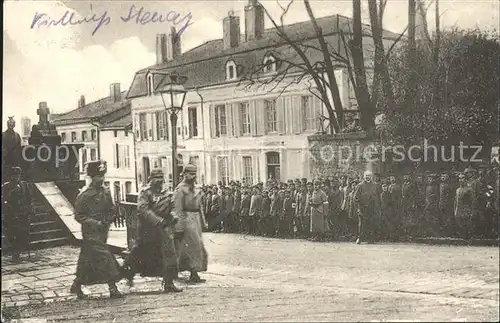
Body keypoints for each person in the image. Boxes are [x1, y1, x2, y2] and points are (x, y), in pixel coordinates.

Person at [121, 168, 182, 293]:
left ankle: (169, 282)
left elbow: (171, 206)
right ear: (150, 179)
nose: (159, 181)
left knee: (169, 254)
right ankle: (128, 273)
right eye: (156, 178)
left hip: (163, 229)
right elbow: (143, 209)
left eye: (161, 178)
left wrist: (173, 215)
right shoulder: (145, 193)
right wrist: (157, 220)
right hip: (148, 230)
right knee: (140, 254)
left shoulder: (166, 193)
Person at [70, 160, 123, 299]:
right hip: (90, 233)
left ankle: (77, 283)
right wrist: (95, 223)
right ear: (91, 177)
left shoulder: (105, 192)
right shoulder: (84, 195)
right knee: (106, 257)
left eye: (102, 176)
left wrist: (109, 218)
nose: (101, 179)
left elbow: (111, 209)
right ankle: (113, 287)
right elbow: (79, 215)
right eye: (98, 176)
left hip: (102, 232)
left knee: (88, 261)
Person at [172, 164, 209, 283]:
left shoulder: (196, 189)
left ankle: (193, 272)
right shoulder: (180, 190)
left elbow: (200, 207)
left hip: (196, 219)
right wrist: (179, 226)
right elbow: (177, 209)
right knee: (193, 246)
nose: (193, 176)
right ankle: (193, 272)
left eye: (194, 174)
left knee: (195, 246)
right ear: (185, 174)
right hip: (186, 219)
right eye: (190, 174)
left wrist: (203, 221)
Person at [1, 167, 33, 262]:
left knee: (23, 234)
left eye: (18, 175)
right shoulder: (6, 186)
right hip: (12, 216)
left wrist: (29, 209)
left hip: (23, 215)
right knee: (12, 234)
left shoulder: (24, 185)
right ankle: (15, 253)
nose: (16, 178)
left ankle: (17, 252)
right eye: (14, 175)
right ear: (11, 176)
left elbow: (29, 198)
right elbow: (4, 201)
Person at [353, 171, 381, 244]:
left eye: (369, 175)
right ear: (364, 176)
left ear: (371, 176)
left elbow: (378, 197)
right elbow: (355, 198)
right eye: (366, 175)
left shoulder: (375, 185)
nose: (367, 177)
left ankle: (370, 239)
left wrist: (377, 207)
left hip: (372, 208)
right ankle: (360, 238)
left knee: (371, 223)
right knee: (362, 224)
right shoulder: (360, 185)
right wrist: (358, 208)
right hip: (363, 208)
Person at [2, 117, 22, 183]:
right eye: (9, 123)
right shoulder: (3, 135)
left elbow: (19, 148)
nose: (10, 125)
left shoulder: (17, 135)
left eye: (12, 123)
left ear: (14, 125)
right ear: (7, 124)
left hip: (15, 162)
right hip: (6, 162)